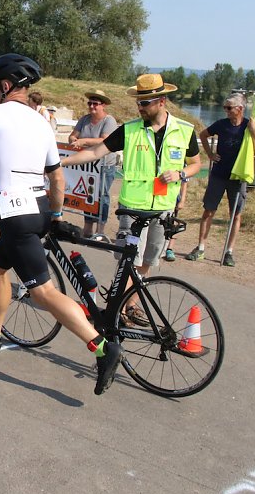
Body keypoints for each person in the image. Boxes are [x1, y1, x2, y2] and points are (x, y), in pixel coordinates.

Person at [0, 53, 124, 396]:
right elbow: (58, 178)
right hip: (39, 207)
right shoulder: (41, 123)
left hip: (16, 214)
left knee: (44, 292)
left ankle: (103, 347)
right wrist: (58, 215)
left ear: (4, 85)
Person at [62, 73, 202, 323]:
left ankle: (129, 305)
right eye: (138, 102)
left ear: (161, 101)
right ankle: (118, 309)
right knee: (130, 260)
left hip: (163, 208)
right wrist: (61, 162)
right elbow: (95, 151)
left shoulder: (184, 131)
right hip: (133, 209)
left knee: (148, 259)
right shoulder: (129, 130)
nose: (140, 107)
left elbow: (196, 164)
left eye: (145, 102)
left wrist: (180, 173)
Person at [185, 93, 255, 267]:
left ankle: (229, 252)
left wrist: (252, 131)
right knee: (208, 211)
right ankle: (200, 247)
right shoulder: (221, 125)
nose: (226, 110)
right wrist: (210, 154)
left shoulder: (248, 127)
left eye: (229, 108)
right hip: (219, 175)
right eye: (225, 107)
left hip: (238, 177)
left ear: (240, 109)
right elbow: (203, 134)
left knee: (235, 215)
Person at [67, 89, 117, 241]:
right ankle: (88, 227)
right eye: (90, 103)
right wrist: (73, 140)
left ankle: (100, 229)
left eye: (95, 104)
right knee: (87, 196)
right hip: (88, 165)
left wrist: (83, 141)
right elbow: (73, 134)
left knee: (102, 196)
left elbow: (104, 140)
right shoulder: (84, 119)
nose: (92, 106)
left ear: (103, 106)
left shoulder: (109, 121)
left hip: (104, 165)